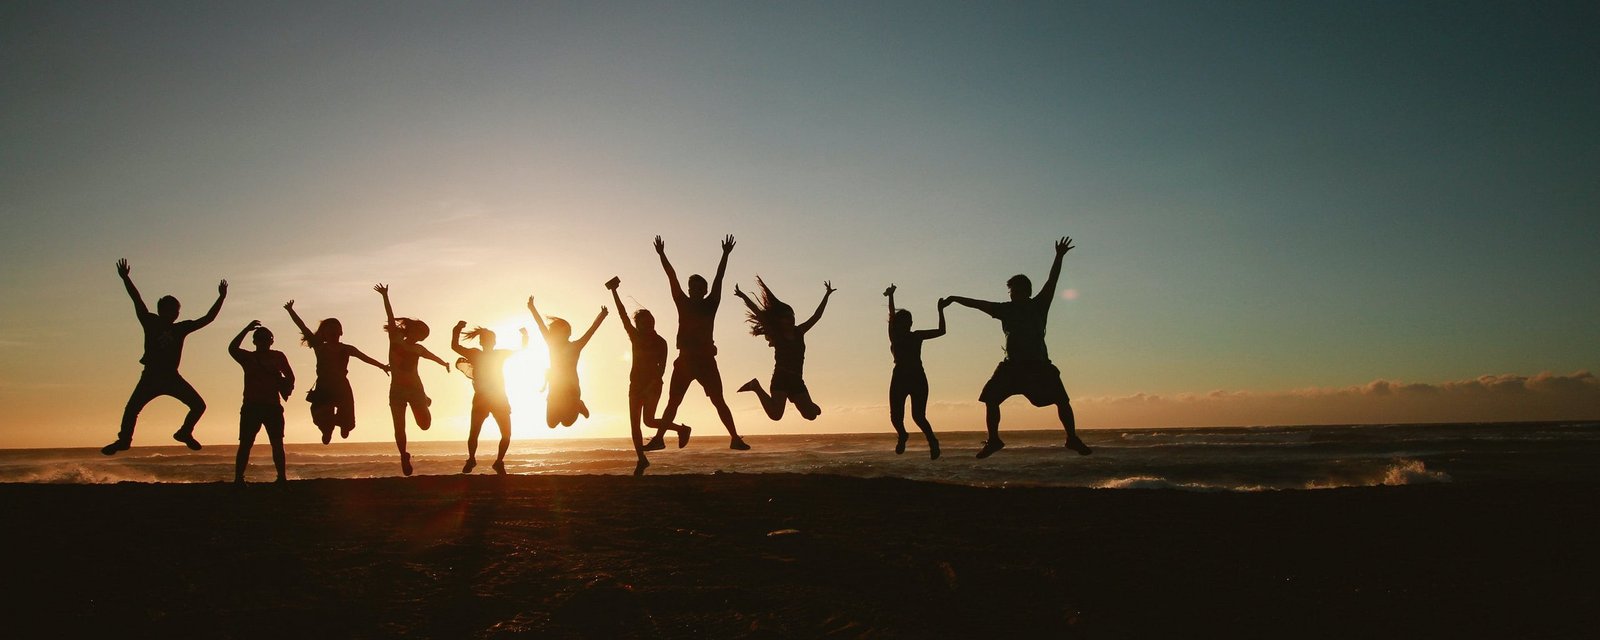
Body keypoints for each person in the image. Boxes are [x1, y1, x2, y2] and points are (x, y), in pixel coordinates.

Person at [944, 236, 1092, 458]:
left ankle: (1071, 438)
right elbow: (978, 304)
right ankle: (994, 440)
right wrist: (955, 298)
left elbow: (1052, 280)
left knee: (1062, 400)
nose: (1011, 294)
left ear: (1023, 291)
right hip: (1011, 367)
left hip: (1038, 366)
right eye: (1010, 291)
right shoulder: (1005, 309)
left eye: (1013, 290)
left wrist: (1058, 257)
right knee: (991, 398)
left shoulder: (1038, 305)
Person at [103, 259, 227, 455]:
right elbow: (137, 300)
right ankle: (124, 440)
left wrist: (221, 298)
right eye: (170, 310)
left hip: (171, 376)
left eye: (176, 311)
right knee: (132, 409)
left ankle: (184, 433)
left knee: (198, 405)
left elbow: (208, 319)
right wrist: (126, 278)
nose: (173, 314)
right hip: (151, 376)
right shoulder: (150, 321)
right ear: (161, 311)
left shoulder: (181, 328)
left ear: (178, 313)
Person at [647, 234, 748, 450]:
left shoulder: (710, 304)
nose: (693, 290)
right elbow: (671, 277)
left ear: (704, 290)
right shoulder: (682, 302)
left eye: (698, 287)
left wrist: (725, 254)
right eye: (691, 287)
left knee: (718, 401)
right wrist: (662, 255)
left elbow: (719, 279)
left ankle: (735, 438)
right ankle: (658, 439)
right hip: (684, 360)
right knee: (673, 402)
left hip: (705, 361)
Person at [607, 277, 691, 475]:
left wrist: (652, 384)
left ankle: (681, 430)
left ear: (654, 322)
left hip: (653, 385)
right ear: (639, 325)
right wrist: (614, 292)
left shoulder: (661, 342)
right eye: (643, 322)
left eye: (650, 321)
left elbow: (662, 369)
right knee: (636, 424)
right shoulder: (635, 337)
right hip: (635, 385)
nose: (648, 325)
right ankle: (642, 460)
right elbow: (622, 315)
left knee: (649, 421)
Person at [284, 300, 390, 444]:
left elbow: (365, 358)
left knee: (348, 418)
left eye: (336, 329)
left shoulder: (347, 348)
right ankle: (327, 430)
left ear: (341, 332)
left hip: (341, 386)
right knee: (322, 416)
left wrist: (382, 366)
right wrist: (290, 311)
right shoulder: (320, 347)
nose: (333, 333)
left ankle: (344, 426)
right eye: (330, 330)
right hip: (324, 386)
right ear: (324, 334)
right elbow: (303, 327)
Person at [733, 277, 835, 422]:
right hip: (781, 378)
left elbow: (816, 316)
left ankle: (803, 402)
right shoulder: (777, 335)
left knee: (811, 415)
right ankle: (755, 386)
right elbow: (759, 314)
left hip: (797, 380)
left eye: (792, 316)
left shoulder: (800, 331)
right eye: (786, 317)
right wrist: (743, 296)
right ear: (779, 320)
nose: (790, 319)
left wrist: (827, 295)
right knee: (776, 415)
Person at [374, 284, 450, 476]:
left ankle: (425, 400)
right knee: (399, 427)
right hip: (397, 391)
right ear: (413, 330)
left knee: (425, 425)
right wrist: (385, 296)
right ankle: (403, 456)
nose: (422, 339)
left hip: (416, 390)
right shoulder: (395, 339)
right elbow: (390, 318)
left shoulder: (418, 349)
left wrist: (444, 363)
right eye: (421, 334)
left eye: (424, 337)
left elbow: (432, 356)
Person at [452, 321, 526, 474]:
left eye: (491, 340)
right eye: (487, 340)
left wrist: (525, 336)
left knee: (505, 433)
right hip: (484, 398)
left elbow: (522, 350)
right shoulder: (476, 354)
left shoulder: (496, 354)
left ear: (493, 341)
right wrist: (457, 329)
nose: (489, 342)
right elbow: (455, 347)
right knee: (476, 432)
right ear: (482, 342)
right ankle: (473, 459)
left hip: (497, 398)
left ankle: (497, 462)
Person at [884, 284, 946, 459]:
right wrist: (890, 296)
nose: (907, 324)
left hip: (917, 377)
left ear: (911, 324)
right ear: (900, 324)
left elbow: (942, 331)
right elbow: (891, 315)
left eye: (909, 322)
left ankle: (932, 441)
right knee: (896, 417)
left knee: (918, 416)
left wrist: (940, 311)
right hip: (901, 377)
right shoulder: (894, 335)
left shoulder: (916, 335)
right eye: (904, 322)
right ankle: (903, 435)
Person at [228, 320, 294, 484]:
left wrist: (284, 385)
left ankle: (281, 477)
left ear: (271, 341)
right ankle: (238, 478)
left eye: (267, 339)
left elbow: (291, 377)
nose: (264, 342)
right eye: (261, 339)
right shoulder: (248, 357)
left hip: (271, 406)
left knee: (276, 443)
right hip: (252, 405)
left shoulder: (278, 356)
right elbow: (232, 349)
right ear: (255, 341)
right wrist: (245, 329)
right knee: (246, 444)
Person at [527, 296, 607, 428]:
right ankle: (575, 406)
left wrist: (602, 316)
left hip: (571, 390)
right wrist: (532, 308)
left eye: (563, 331)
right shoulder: (552, 344)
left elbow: (591, 331)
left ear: (568, 333)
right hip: (555, 389)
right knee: (552, 424)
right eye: (555, 332)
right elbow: (540, 325)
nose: (557, 334)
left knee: (567, 422)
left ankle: (578, 405)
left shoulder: (576, 346)